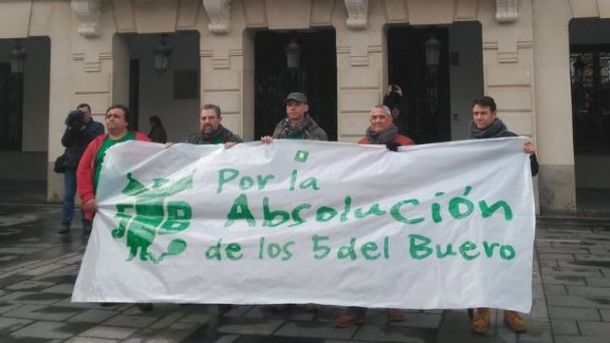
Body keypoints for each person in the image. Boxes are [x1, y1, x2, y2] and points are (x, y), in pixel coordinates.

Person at [335, 105, 415, 328]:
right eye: (373, 117)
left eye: (381, 117)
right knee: (362, 258)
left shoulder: (405, 143)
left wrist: (398, 157)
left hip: (394, 210)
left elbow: (415, 173)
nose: (377, 120)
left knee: (392, 256)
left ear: (390, 119)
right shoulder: (362, 145)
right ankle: (357, 308)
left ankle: (394, 302)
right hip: (368, 211)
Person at [469, 95, 538, 334]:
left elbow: (533, 171)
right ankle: (483, 312)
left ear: (494, 114)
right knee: (481, 261)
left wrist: (531, 154)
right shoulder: (469, 144)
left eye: (483, 113)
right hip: (479, 214)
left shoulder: (510, 140)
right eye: (476, 113)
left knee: (509, 259)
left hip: (507, 214)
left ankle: (511, 312)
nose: (479, 117)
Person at [77, 105, 151, 235]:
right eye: (108, 116)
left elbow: (156, 161)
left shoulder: (140, 139)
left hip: (132, 203)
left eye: (116, 116)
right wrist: (87, 197)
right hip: (103, 205)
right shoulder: (97, 143)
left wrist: (168, 149)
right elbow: (83, 170)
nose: (111, 119)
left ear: (126, 122)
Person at [59, 104, 104, 234]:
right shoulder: (73, 125)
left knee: (88, 195)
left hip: (88, 166)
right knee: (68, 195)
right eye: (80, 113)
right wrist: (71, 128)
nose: (82, 115)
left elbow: (96, 140)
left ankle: (87, 221)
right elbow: (65, 142)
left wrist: (83, 129)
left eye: (85, 113)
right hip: (71, 165)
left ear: (90, 113)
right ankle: (65, 222)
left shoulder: (97, 126)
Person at [261, 92, 327, 143]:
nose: (292, 108)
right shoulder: (280, 129)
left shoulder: (317, 133)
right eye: (289, 105)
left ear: (306, 108)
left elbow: (320, 156)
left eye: (297, 104)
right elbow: (274, 154)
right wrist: (268, 144)